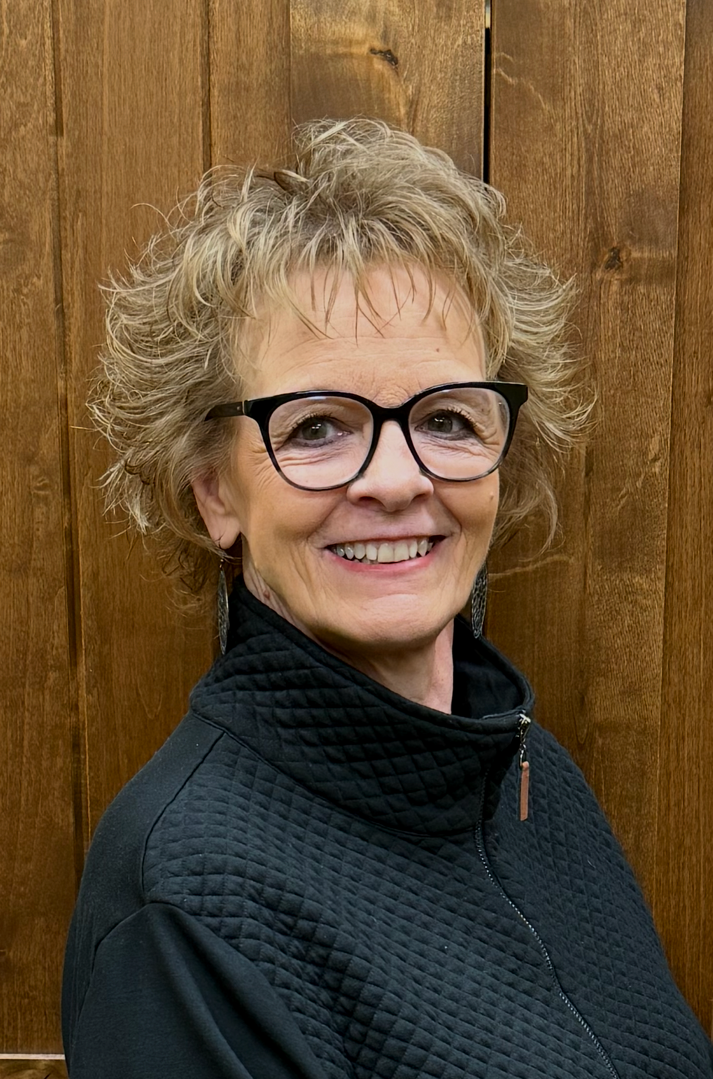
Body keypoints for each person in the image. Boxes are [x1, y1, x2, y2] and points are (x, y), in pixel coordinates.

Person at [62, 119, 713, 1079]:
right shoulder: (186, 903)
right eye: (317, 427)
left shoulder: (532, 779)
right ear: (214, 492)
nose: (398, 479)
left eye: (446, 418)